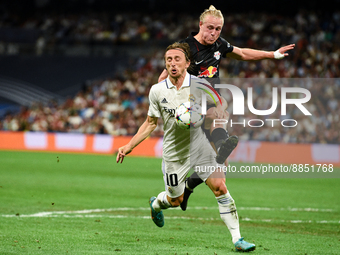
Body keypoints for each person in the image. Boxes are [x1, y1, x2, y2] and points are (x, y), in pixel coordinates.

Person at [117, 42, 256, 252]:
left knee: (220, 187)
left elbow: (222, 102)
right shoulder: (157, 91)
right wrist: (129, 145)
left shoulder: (200, 84)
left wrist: (218, 110)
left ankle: (237, 239)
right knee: (175, 200)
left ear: (187, 63)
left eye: (177, 59)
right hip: (174, 154)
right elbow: (150, 123)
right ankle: (156, 204)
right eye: (169, 60)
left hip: (200, 147)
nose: (173, 64)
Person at [158, 5, 295, 211]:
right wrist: (162, 101)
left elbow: (241, 53)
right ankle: (211, 156)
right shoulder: (185, 48)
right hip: (190, 109)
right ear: (200, 25)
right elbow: (164, 76)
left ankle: (191, 184)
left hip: (209, 102)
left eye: (218, 29)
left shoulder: (219, 45)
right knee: (219, 109)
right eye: (210, 28)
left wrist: (272, 55)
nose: (213, 33)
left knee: (219, 166)